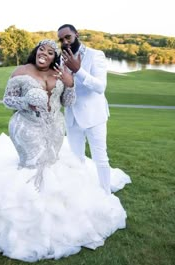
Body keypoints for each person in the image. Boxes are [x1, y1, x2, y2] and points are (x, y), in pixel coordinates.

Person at [0, 39, 131, 262]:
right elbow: (7, 101)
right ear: (36, 51)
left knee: (51, 164)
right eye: (42, 49)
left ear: (54, 57)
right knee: (32, 167)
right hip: (26, 128)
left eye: (51, 52)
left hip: (54, 129)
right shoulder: (21, 71)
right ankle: (28, 220)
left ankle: (56, 217)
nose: (45, 54)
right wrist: (26, 103)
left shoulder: (59, 73)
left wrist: (70, 84)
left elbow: (68, 102)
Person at [57, 24, 112, 195]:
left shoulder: (96, 55)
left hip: (93, 116)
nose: (65, 42)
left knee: (100, 158)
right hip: (71, 116)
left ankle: (106, 193)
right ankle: (80, 193)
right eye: (61, 39)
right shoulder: (61, 58)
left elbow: (100, 87)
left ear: (76, 35)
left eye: (68, 37)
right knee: (76, 158)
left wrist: (78, 70)